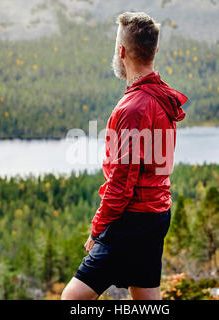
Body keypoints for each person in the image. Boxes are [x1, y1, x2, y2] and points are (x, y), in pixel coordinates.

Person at [61, 11, 188, 300]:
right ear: (154, 50)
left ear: (121, 52)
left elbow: (122, 183)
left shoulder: (133, 108)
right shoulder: (162, 97)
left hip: (132, 218)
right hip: (156, 214)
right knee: (146, 298)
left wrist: (97, 230)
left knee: (72, 299)